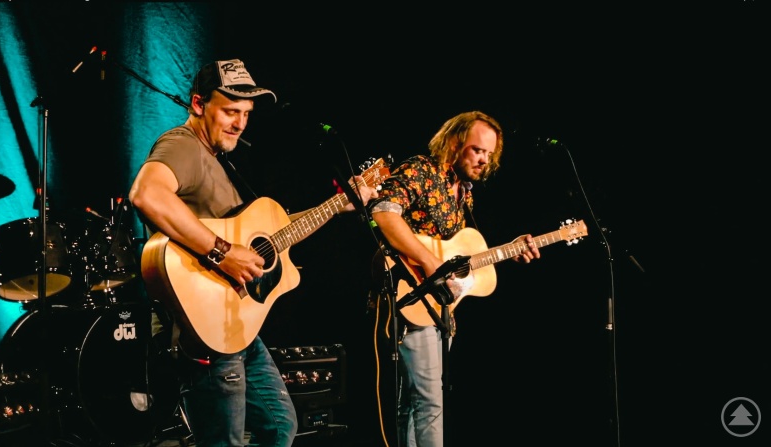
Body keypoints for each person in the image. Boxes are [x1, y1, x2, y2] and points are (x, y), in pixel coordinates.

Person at [129, 58, 377, 447]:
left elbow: (271, 233)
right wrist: (222, 252)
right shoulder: (182, 145)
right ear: (198, 105)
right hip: (201, 326)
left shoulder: (217, 161)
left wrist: (338, 204)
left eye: (246, 113)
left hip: (235, 325)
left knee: (279, 427)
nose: (240, 123)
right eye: (230, 111)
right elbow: (146, 193)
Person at [367, 110, 542, 447]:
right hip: (409, 294)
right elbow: (383, 213)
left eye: (489, 154)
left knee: (413, 403)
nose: (483, 161)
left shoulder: (465, 192)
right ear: (453, 143)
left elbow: (461, 253)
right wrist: (430, 262)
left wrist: (509, 250)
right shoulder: (421, 170)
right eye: (477, 150)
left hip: (438, 308)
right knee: (430, 401)